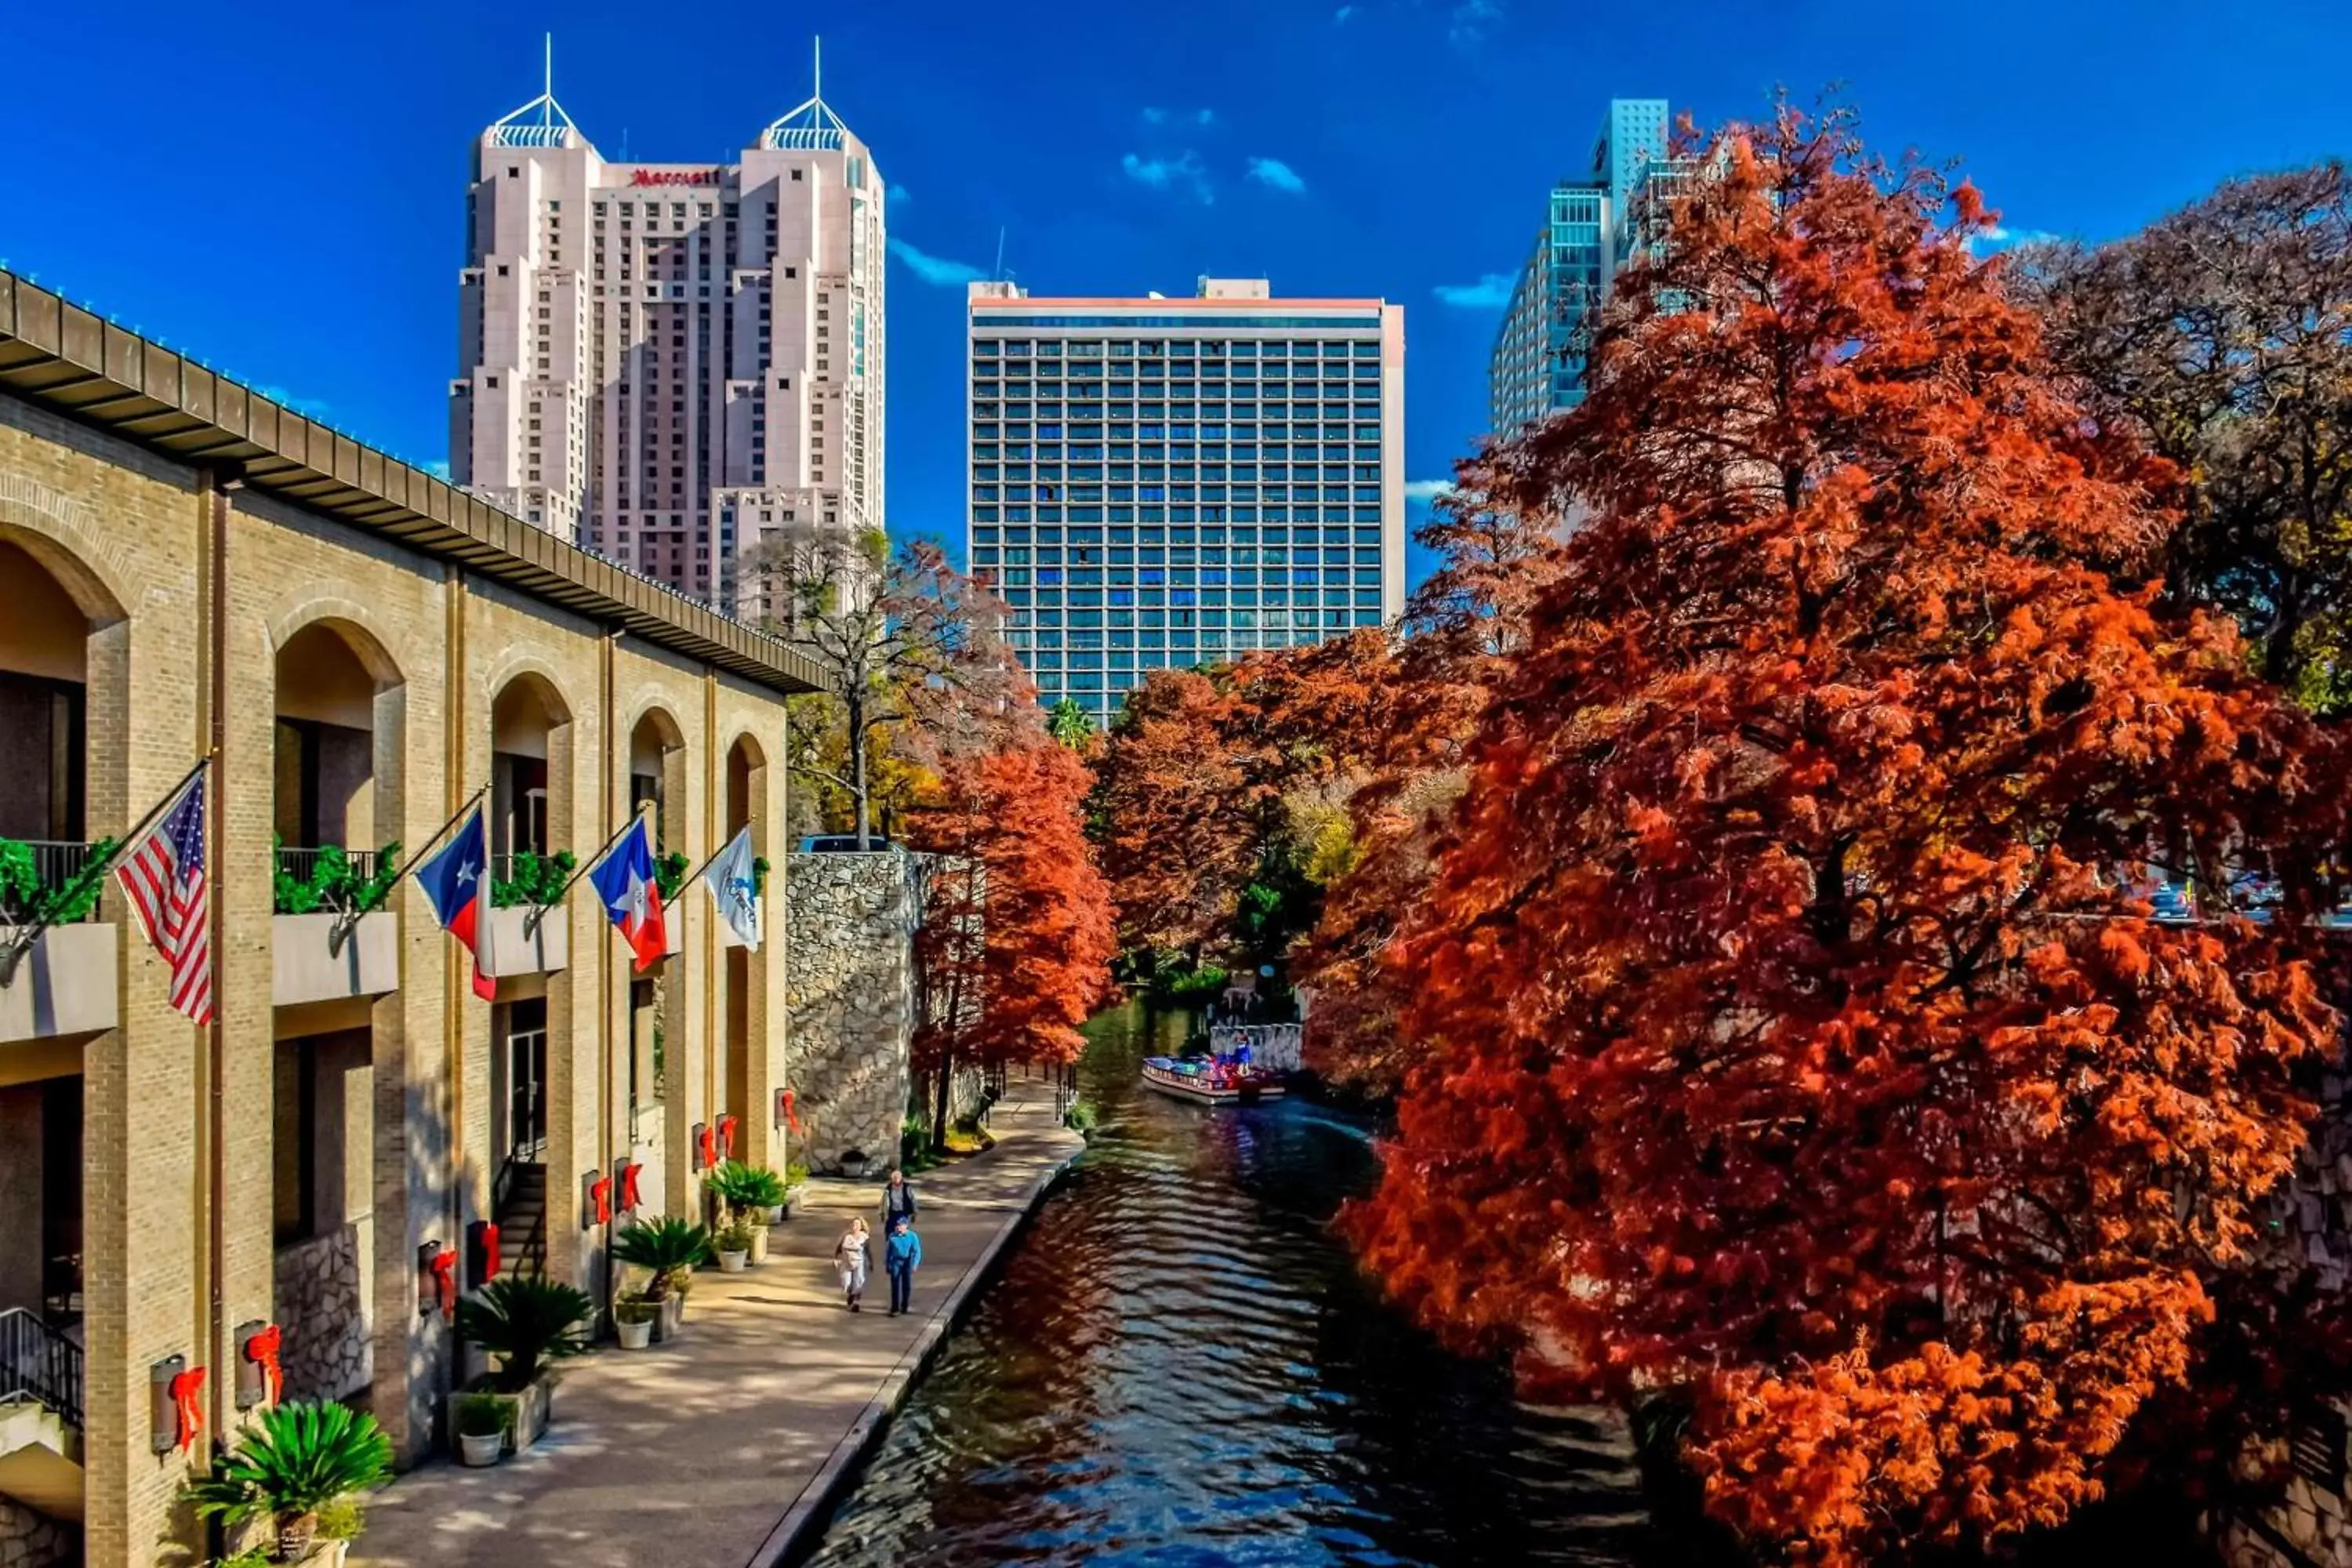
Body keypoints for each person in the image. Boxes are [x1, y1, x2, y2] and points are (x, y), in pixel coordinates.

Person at [885, 1214, 922, 1316]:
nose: (899, 1228)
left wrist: (915, 1264)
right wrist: (888, 1265)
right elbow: (888, 1252)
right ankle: (895, 1307)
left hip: (907, 1261)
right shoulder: (892, 1237)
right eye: (897, 1226)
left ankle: (904, 1306)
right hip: (896, 1262)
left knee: (906, 1285)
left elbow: (917, 1251)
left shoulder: (912, 1236)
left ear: (906, 1226)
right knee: (895, 1285)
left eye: (901, 1226)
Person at [833, 1218, 872, 1312]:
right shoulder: (846, 1236)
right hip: (846, 1263)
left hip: (859, 1263)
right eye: (853, 1224)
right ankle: (851, 1295)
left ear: (861, 1227)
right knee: (846, 1283)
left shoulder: (865, 1237)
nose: (854, 1227)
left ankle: (855, 1303)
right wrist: (835, 1259)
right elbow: (838, 1248)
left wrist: (871, 1262)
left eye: (857, 1225)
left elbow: (868, 1251)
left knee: (858, 1283)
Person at [880, 1167, 918, 1233]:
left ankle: (903, 1242)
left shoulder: (907, 1187)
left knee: (902, 1230)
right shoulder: (889, 1188)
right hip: (892, 1212)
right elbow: (884, 1201)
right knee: (889, 1230)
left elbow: (913, 1199)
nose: (896, 1180)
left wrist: (915, 1212)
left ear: (901, 1178)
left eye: (898, 1178)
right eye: (894, 1178)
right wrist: (882, 1213)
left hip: (903, 1212)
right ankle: (891, 1242)